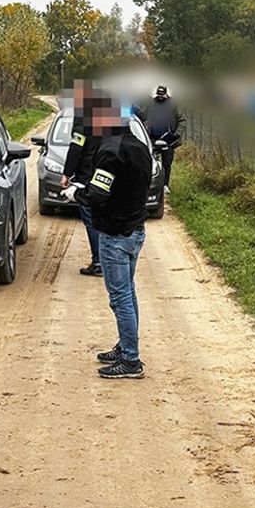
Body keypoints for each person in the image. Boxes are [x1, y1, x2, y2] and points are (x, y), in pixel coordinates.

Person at [76, 97, 152, 379]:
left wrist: (77, 194)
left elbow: (98, 193)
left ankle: (131, 360)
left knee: (120, 298)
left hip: (114, 234)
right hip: (135, 230)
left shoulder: (110, 149)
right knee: (128, 293)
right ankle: (125, 346)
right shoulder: (139, 146)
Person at [61, 80, 103, 277]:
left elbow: (76, 147)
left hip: (87, 176)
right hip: (106, 174)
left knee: (91, 220)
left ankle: (98, 262)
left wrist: (67, 173)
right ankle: (108, 259)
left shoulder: (82, 118)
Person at [141, 85, 184, 193]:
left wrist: (177, 134)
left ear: (166, 94)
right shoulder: (151, 104)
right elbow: (143, 116)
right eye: (158, 95)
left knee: (167, 163)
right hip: (152, 139)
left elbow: (182, 120)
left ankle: (165, 184)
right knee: (149, 161)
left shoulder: (173, 105)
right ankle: (150, 183)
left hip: (168, 140)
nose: (160, 97)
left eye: (162, 95)